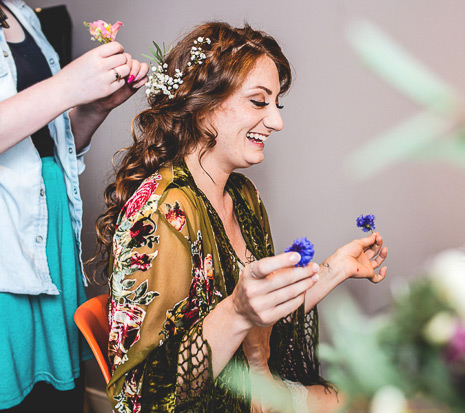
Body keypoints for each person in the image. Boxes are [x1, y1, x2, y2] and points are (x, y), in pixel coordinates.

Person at [94, 21, 388, 413]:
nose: (277, 121)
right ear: (204, 102)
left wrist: (336, 269)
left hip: (250, 392)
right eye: (259, 101)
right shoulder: (163, 214)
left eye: (277, 104)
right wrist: (234, 312)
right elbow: (143, 398)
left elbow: (260, 315)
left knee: (383, 399)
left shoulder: (243, 196)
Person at [0, 0, 149, 410]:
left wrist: (96, 107)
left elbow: (49, 145)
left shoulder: (22, 13)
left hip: (51, 225)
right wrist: (66, 85)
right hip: (4, 234)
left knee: (56, 395)